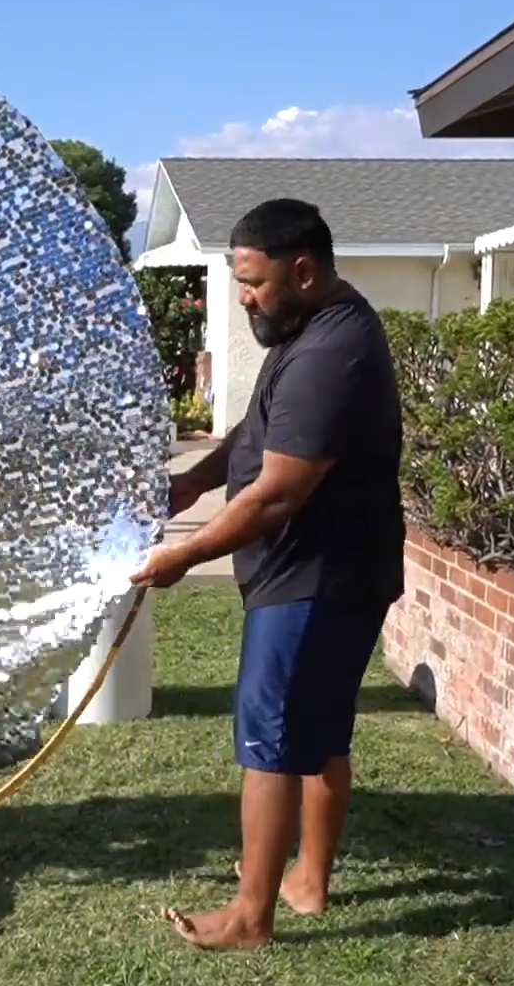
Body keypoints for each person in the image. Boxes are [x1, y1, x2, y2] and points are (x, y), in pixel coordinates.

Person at [130, 198, 405, 948]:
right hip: (336, 574)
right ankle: (308, 882)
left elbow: (280, 490)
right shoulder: (311, 329)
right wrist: (194, 483)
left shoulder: (327, 353)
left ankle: (251, 916)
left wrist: (182, 555)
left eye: (252, 282)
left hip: (315, 578)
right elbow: (258, 436)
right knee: (320, 736)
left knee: (272, 741)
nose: (244, 295)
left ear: (304, 271)